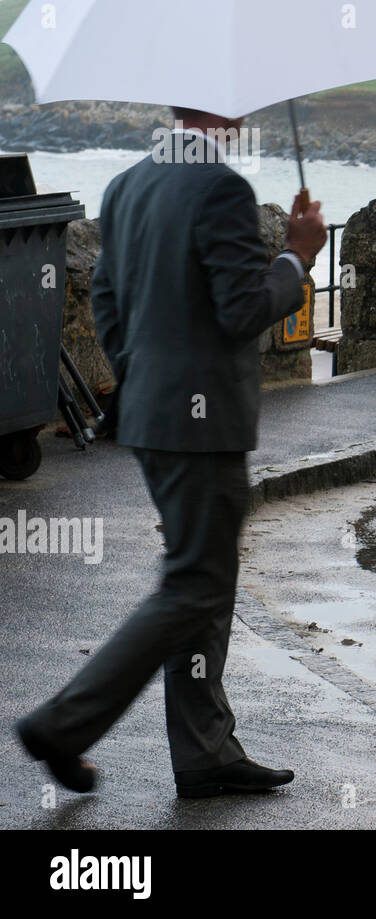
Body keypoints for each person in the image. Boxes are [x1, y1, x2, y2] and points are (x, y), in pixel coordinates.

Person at [16, 107, 326, 796]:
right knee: (196, 584)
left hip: (153, 415)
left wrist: (141, 377)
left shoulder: (129, 184)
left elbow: (105, 296)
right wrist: (297, 257)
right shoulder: (220, 187)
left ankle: (205, 749)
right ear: (216, 106)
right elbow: (242, 310)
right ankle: (62, 724)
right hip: (203, 424)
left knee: (203, 581)